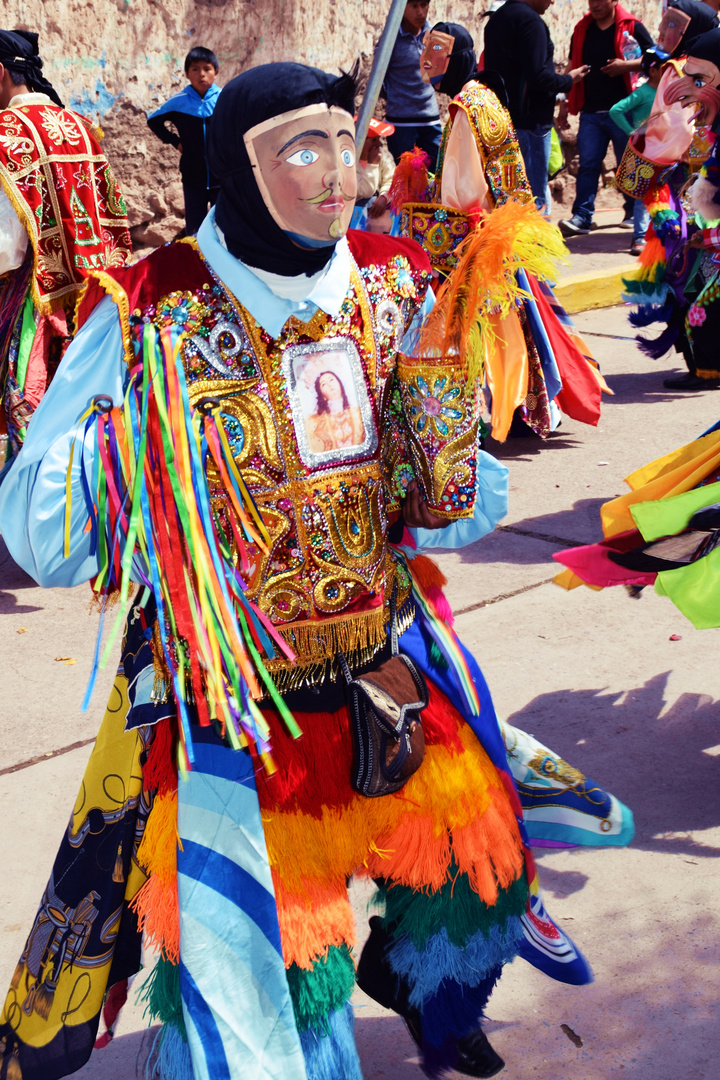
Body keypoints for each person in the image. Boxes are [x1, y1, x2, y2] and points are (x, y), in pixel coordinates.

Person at [0, 60, 633, 1080]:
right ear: (236, 171)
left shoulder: (388, 274)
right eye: (302, 148)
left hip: (388, 656)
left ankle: (425, 994)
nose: (338, 172)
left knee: (479, 872)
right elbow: (43, 534)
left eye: (347, 142)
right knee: (285, 999)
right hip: (240, 707)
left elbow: (450, 509)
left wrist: (444, 445)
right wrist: (152, 456)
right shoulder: (150, 311)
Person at [396, 22, 611, 441]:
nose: (426, 62)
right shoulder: (485, 97)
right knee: (513, 326)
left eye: (434, 52)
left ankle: (495, 409)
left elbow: (462, 190)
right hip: (500, 230)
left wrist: (424, 197)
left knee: (481, 330)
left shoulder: (463, 108)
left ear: (450, 59)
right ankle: (522, 404)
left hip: (474, 238)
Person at [0, 28, 131, 461]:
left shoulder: (5, 135)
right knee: (83, 411)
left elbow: (5, 246)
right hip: (95, 295)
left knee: (32, 411)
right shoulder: (78, 126)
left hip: (32, 301)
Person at [618, 28, 720, 390]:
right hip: (695, 212)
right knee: (686, 287)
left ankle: (709, 369)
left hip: (708, 223)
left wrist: (708, 233)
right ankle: (705, 366)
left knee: (700, 294)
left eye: (698, 79)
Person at [482, 0, 589, 216]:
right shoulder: (531, 22)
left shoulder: (497, 19)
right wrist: (569, 79)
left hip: (502, 119)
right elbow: (539, 77)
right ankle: (537, 245)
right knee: (534, 194)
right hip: (530, 122)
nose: (552, 1)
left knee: (511, 193)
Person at [558, 0, 654, 237]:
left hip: (626, 112)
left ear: (614, 1)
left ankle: (632, 212)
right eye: (592, 0)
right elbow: (572, 66)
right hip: (591, 111)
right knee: (588, 164)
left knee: (629, 164)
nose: (596, 4)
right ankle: (582, 216)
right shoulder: (582, 29)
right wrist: (563, 104)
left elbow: (657, 62)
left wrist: (626, 66)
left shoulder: (633, 27)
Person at [147, 46, 221, 235]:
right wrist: (176, 142)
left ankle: (223, 262)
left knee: (223, 224)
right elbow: (153, 121)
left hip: (221, 177)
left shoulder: (224, 99)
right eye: (195, 69)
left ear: (216, 72)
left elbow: (239, 122)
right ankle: (196, 262)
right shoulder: (179, 102)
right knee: (195, 227)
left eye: (207, 69)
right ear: (187, 74)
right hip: (192, 175)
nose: (201, 74)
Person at [609, 47, 667, 254]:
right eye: (665, 68)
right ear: (653, 71)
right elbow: (616, 110)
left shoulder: (668, 92)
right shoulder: (643, 93)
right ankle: (640, 237)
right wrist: (632, 132)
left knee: (662, 193)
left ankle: (659, 235)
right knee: (642, 193)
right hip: (644, 151)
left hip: (665, 150)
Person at [381, 0, 444, 169]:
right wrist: (398, 98)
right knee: (406, 178)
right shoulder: (390, 39)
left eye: (424, 5)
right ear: (402, 8)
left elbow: (438, 78)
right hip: (400, 123)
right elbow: (380, 77)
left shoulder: (434, 37)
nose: (420, 12)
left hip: (430, 120)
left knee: (436, 175)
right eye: (414, 6)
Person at [351, 116, 396, 231]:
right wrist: (371, 164)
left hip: (375, 208)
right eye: (373, 140)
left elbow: (392, 180)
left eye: (378, 139)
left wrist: (384, 197)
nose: (378, 144)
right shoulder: (349, 159)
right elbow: (366, 191)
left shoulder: (383, 155)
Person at [306, 370, 365, 452]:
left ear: (340, 384)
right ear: (323, 396)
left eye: (331, 380)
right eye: (324, 384)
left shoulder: (358, 412)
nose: (330, 385)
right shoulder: (315, 422)